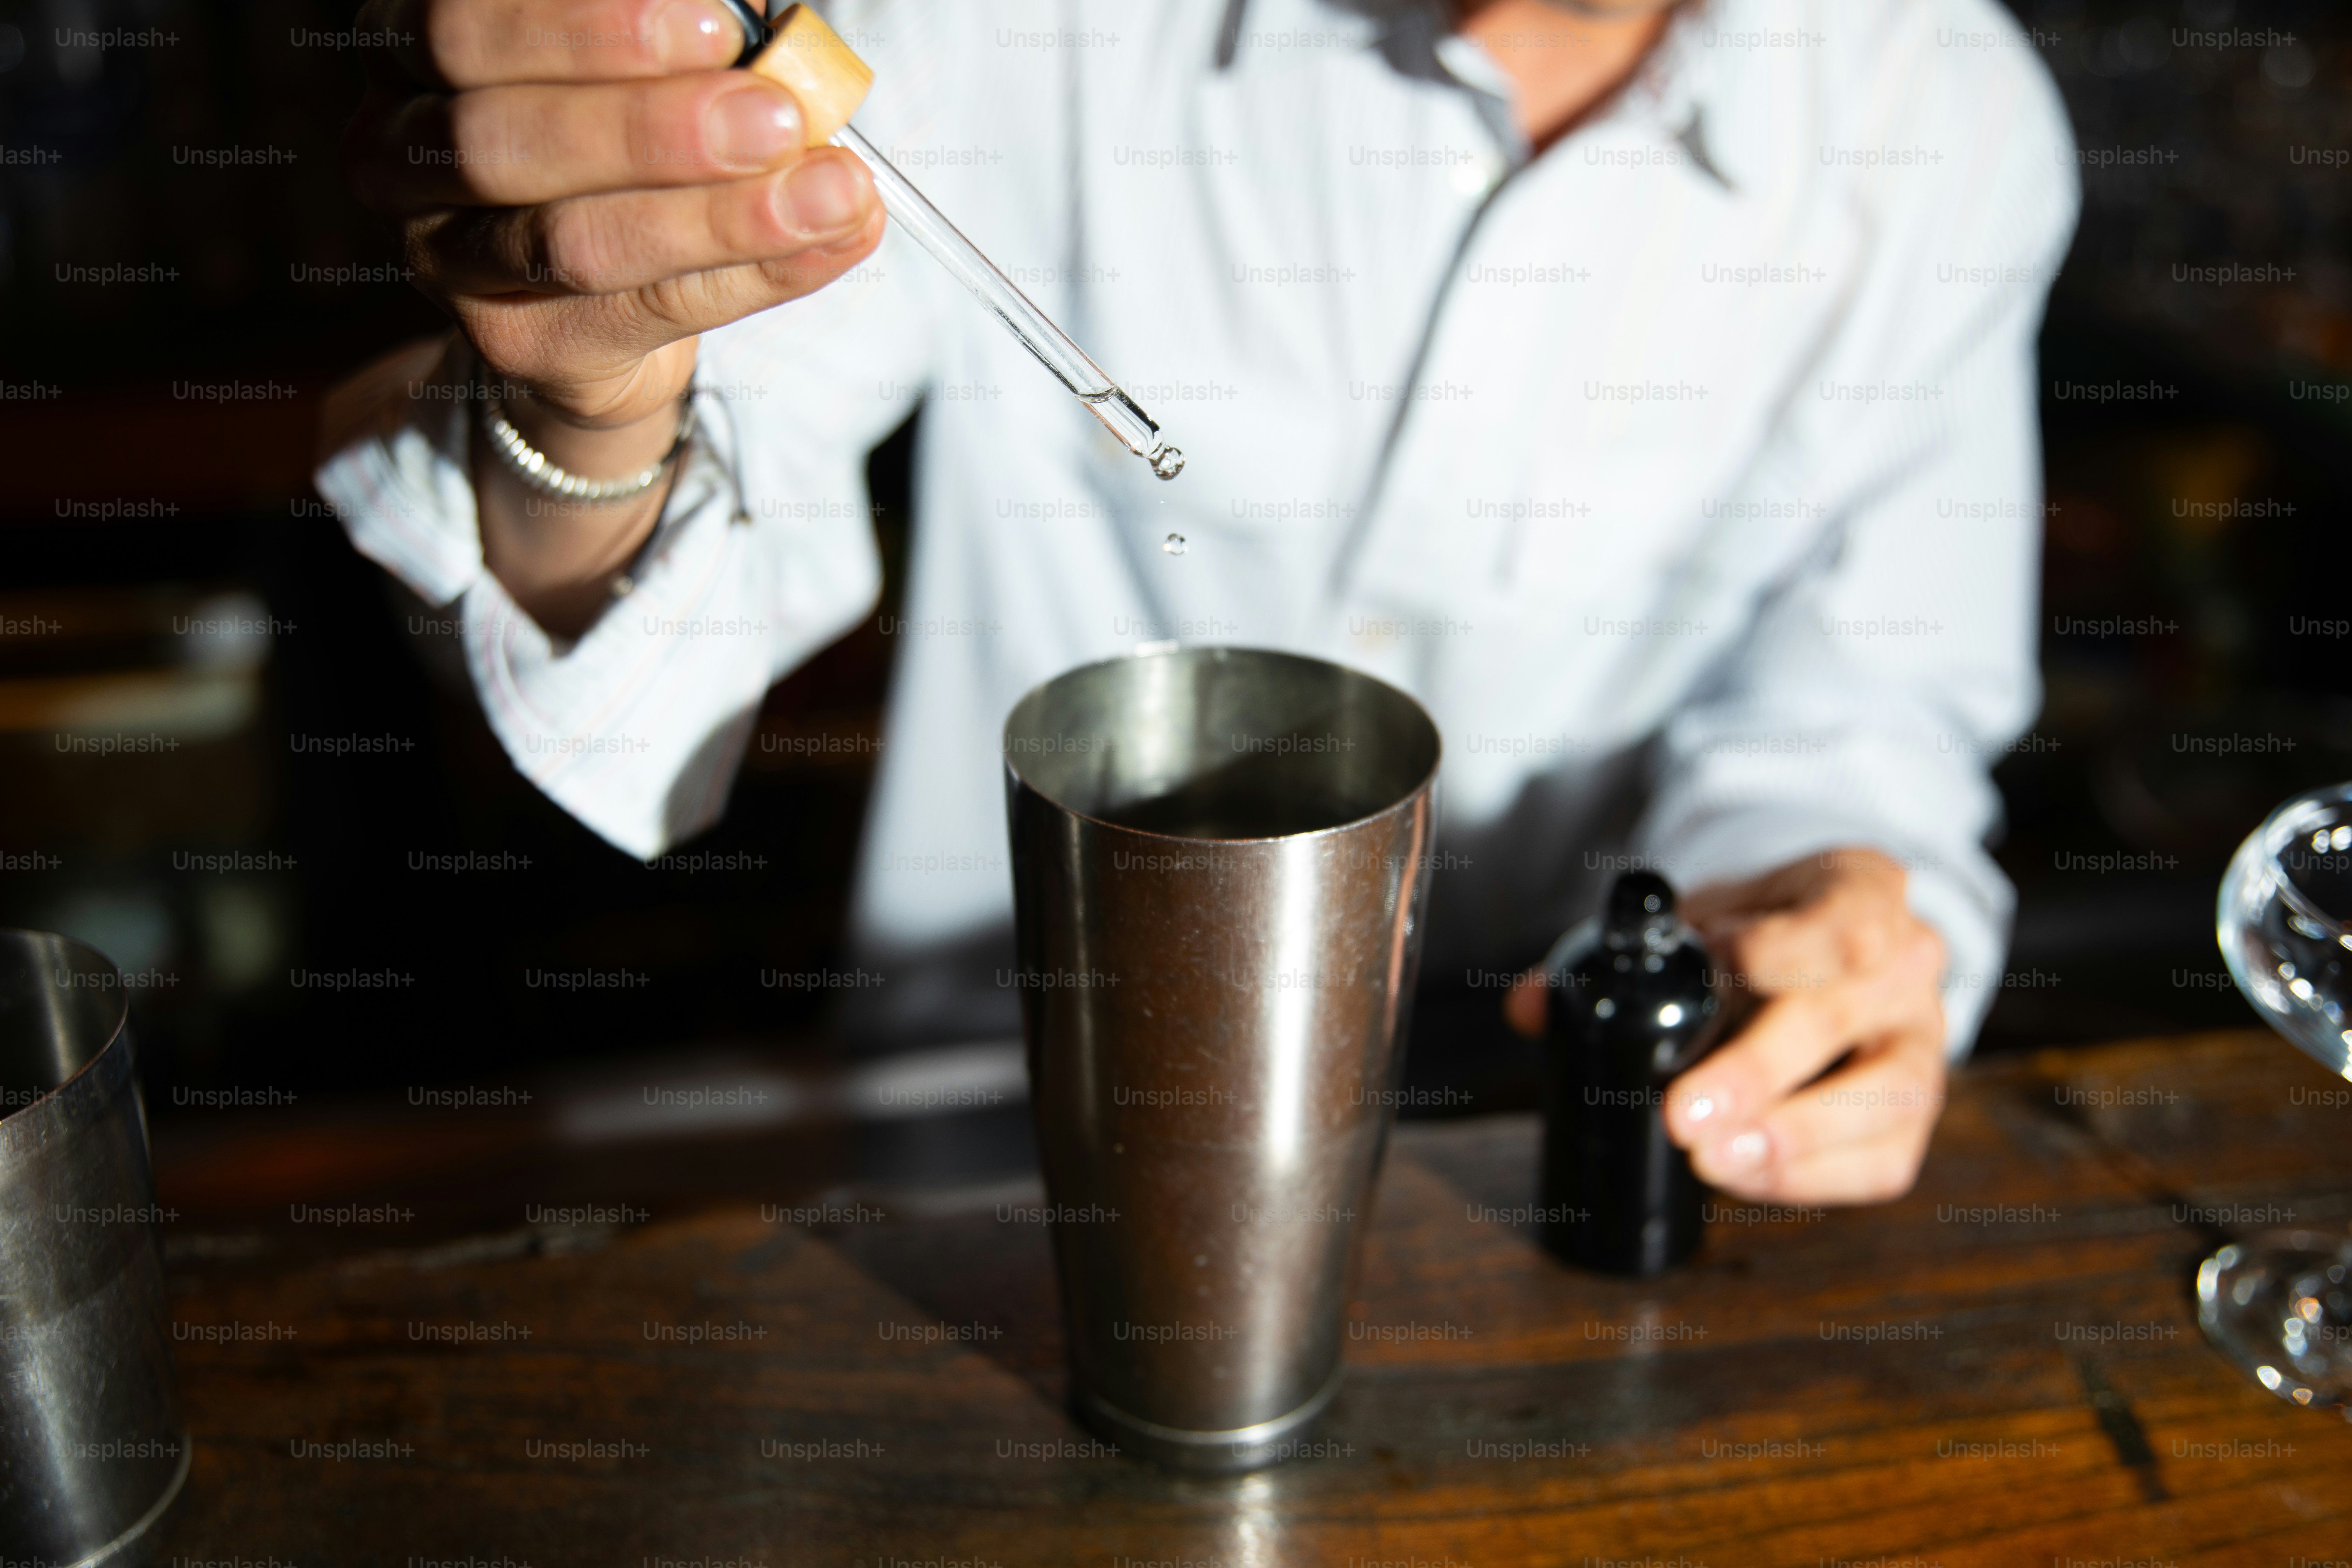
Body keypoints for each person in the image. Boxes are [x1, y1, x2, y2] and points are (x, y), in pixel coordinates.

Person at [320, 0, 2078, 1205]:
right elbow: (692, 515)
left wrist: (1809, 901)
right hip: (1006, 1140)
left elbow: (1863, 704)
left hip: (1546, 1137)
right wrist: (590, 408)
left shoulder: (1942, 116)